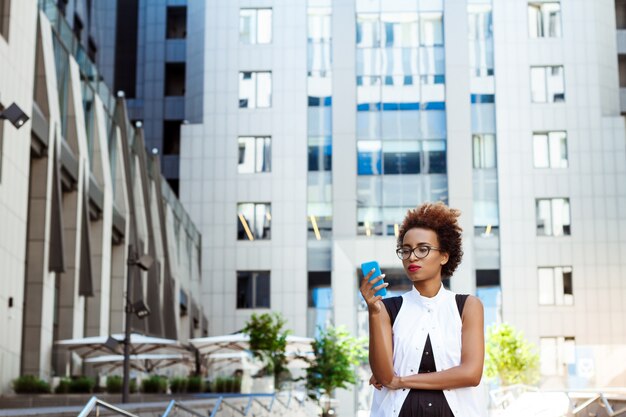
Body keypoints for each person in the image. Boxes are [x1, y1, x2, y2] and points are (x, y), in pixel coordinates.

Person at [360, 202, 486, 417]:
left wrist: (401, 381)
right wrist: (373, 312)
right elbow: (383, 375)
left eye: (422, 249)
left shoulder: (468, 306)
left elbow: (471, 374)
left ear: (444, 256)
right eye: (406, 250)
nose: (412, 257)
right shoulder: (386, 309)